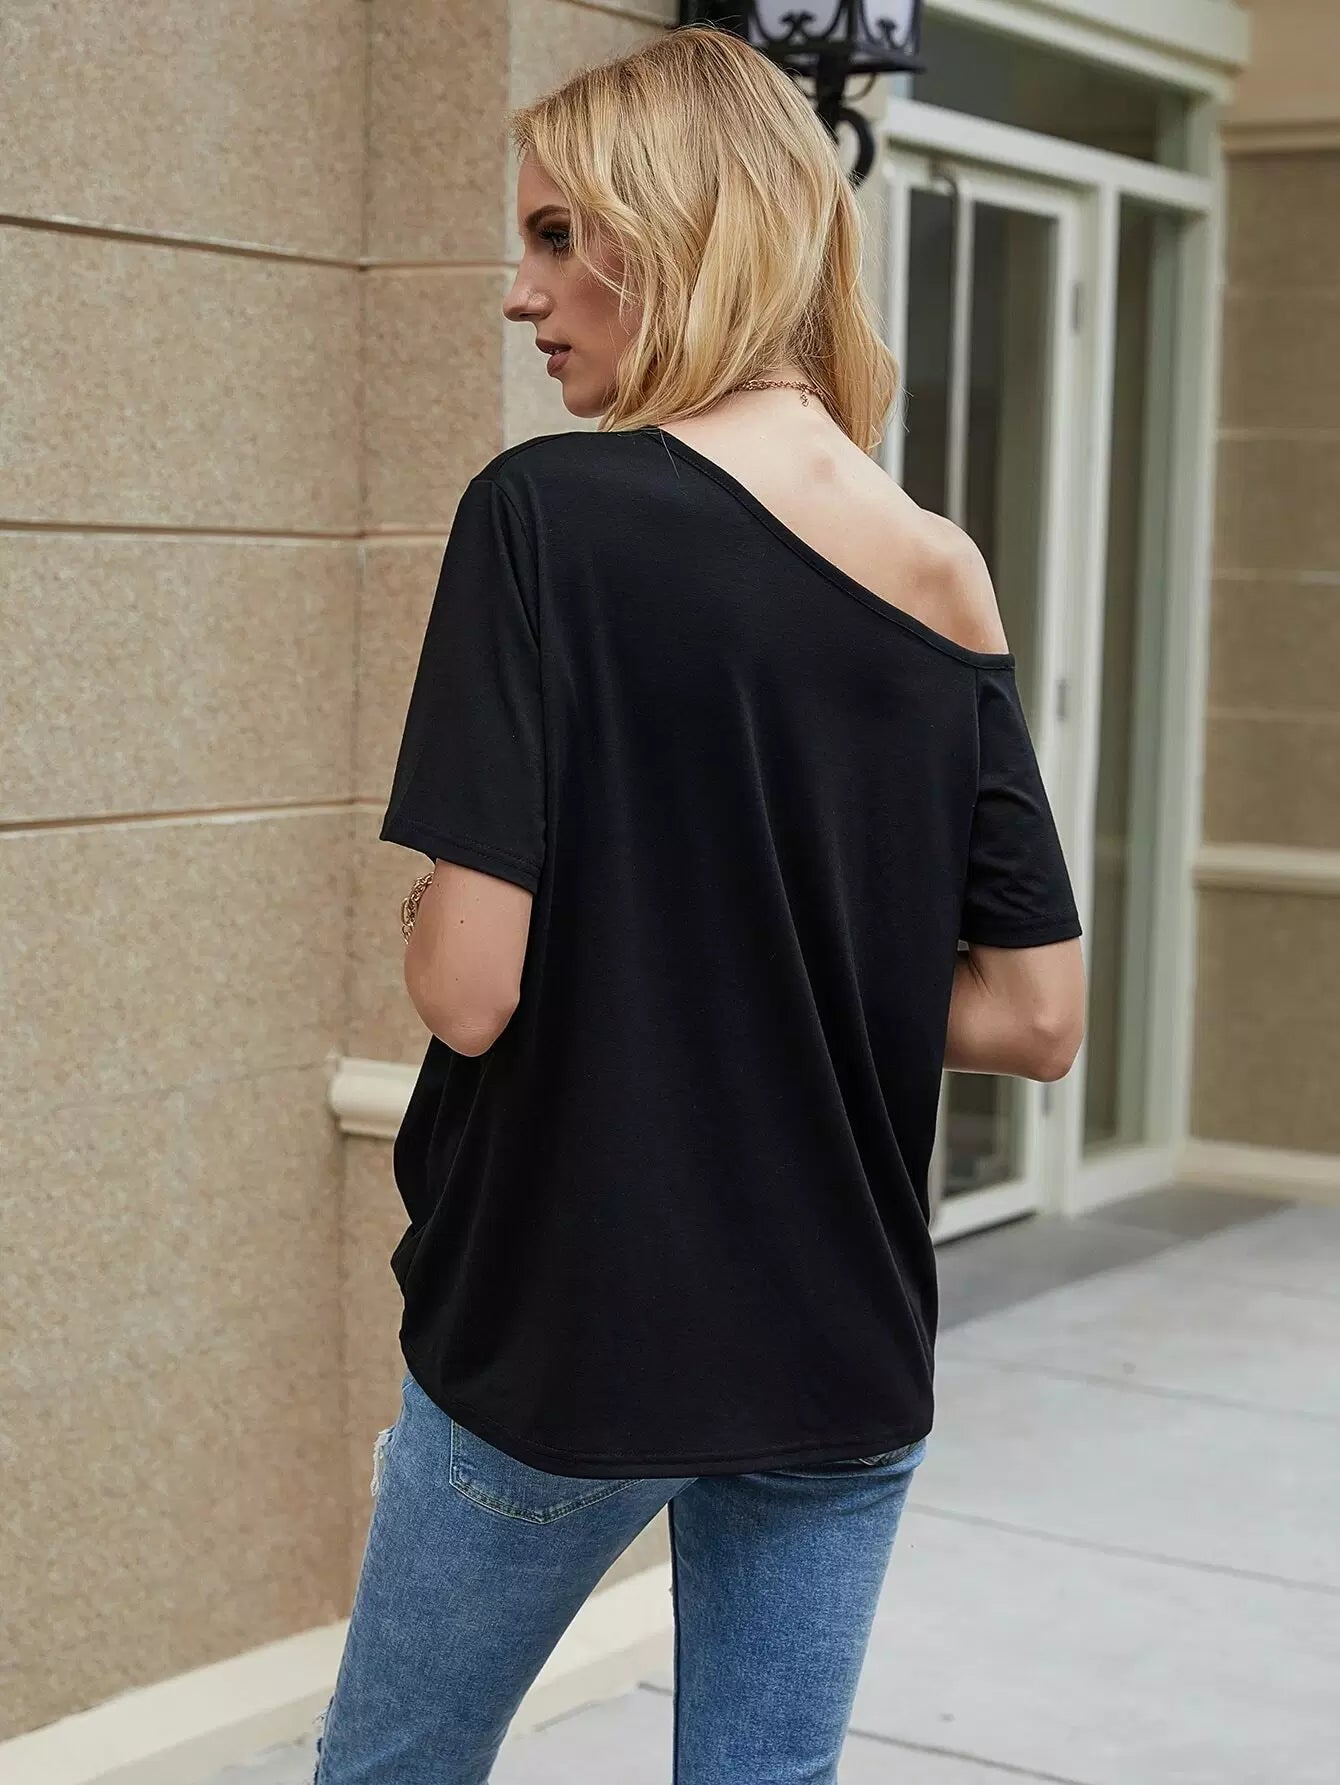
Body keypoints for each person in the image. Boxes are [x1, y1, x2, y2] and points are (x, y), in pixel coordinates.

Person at [312, 23, 1085, 1785]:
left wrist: (445, 908)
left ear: (684, 226)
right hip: (839, 1343)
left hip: (567, 1321)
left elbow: (468, 990)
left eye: (556, 236)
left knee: (393, 1768)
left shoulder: (542, 517)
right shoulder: (943, 569)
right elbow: (1037, 1017)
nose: (523, 293)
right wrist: (781, 963)